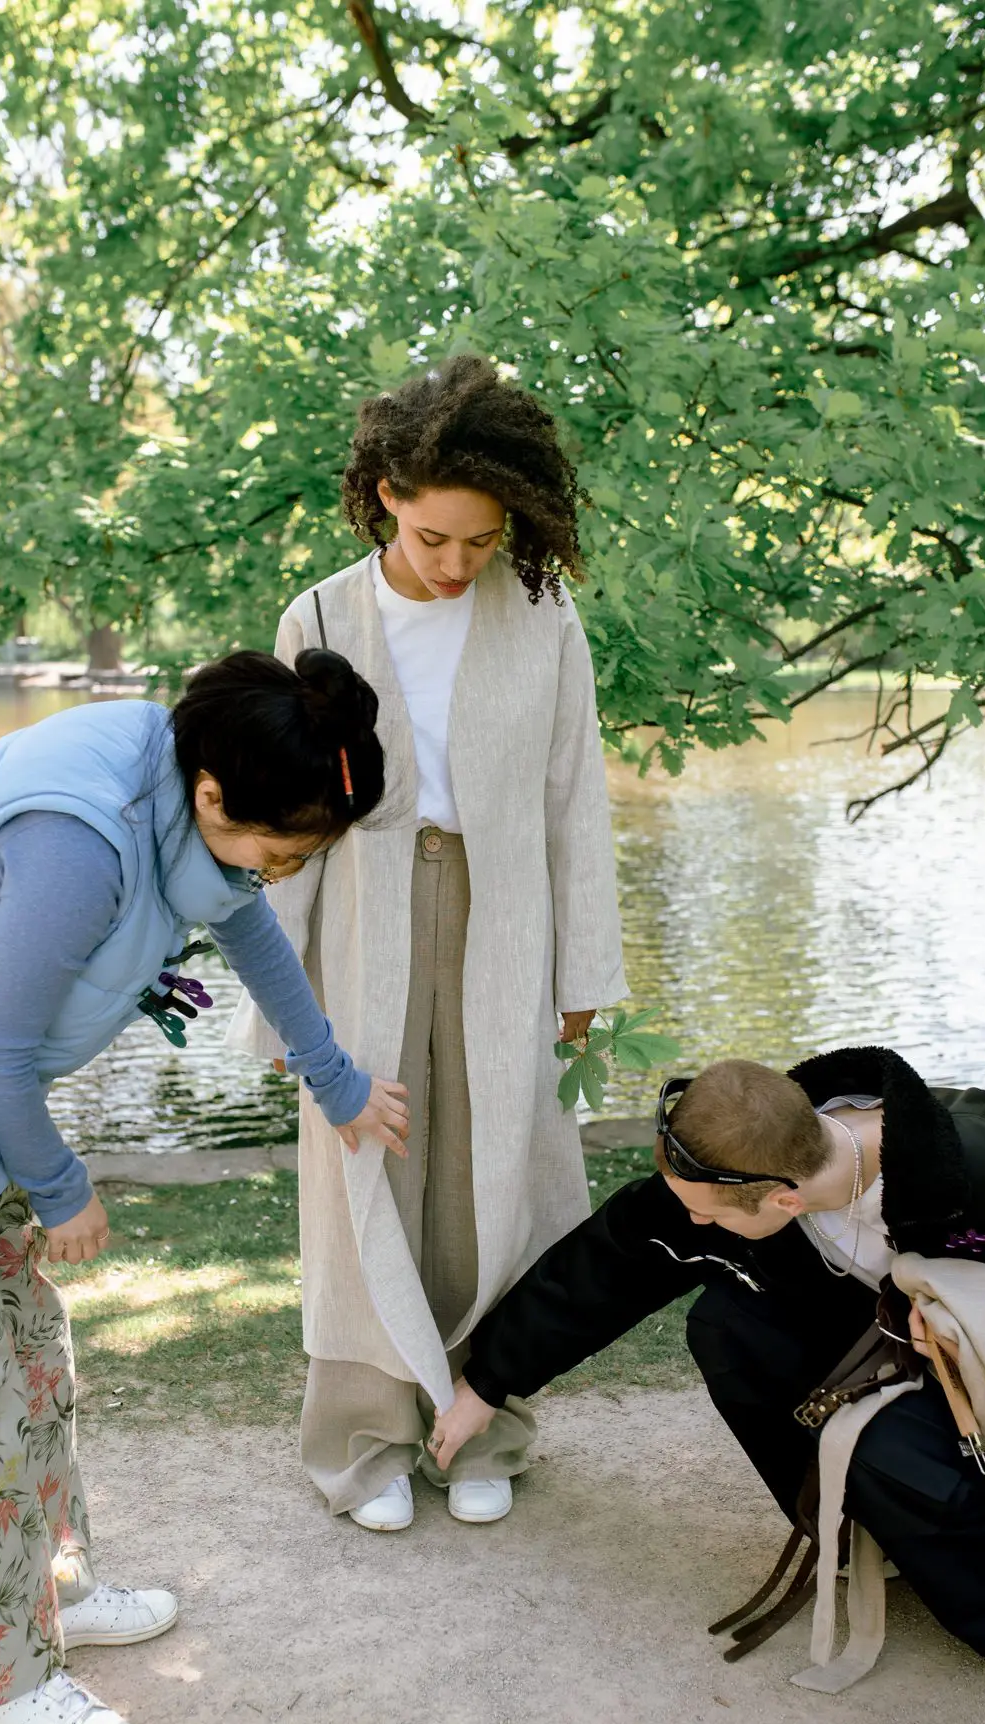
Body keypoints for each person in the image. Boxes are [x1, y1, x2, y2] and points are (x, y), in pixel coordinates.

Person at [0, 647, 408, 1724]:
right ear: (212, 794)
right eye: (284, 850)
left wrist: (333, 1074)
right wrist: (62, 1189)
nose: (285, 872)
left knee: (25, 1349)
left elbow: (247, 926)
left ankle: (53, 1587)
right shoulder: (78, 846)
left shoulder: (190, 783)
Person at [229, 354, 626, 1530]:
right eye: (437, 536)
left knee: (490, 1167)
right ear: (388, 494)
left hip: (509, 916)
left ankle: (483, 1422)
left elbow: (576, 800)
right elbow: (286, 812)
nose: (457, 563)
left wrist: (582, 976)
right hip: (364, 916)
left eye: (484, 539)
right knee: (366, 1164)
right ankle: (365, 1439)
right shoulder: (320, 616)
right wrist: (282, 1001)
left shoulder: (544, 615)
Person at [428, 1047, 985, 1690]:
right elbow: (612, 1260)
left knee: (878, 1442)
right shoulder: (748, 1163)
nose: (691, 1220)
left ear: (783, 1202)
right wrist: (488, 1382)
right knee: (727, 1326)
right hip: (885, 1344)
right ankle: (862, 1526)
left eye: (704, 1212)